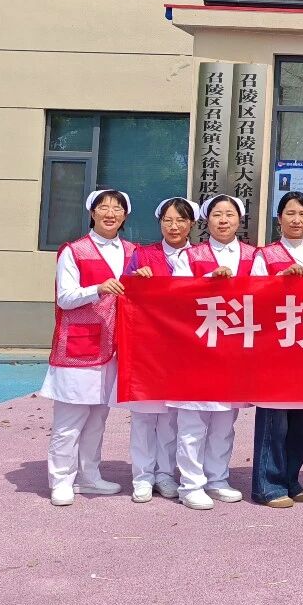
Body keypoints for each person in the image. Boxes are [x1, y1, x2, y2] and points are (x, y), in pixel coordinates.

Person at [42, 188, 136, 507]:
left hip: (115, 347)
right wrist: (97, 288)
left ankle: (89, 475)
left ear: (125, 215)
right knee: (69, 421)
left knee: (97, 418)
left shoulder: (133, 252)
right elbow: (65, 298)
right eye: (103, 207)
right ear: (92, 213)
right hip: (79, 347)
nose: (110, 213)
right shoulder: (74, 251)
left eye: (117, 208)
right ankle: (61, 480)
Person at [171, 194, 264, 510]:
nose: (223, 220)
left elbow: (264, 293)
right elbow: (175, 295)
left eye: (229, 214)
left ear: (240, 219)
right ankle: (190, 484)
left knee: (225, 421)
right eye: (217, 215)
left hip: (234, 349)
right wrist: (209, 279)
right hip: (196, 348)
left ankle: (217, 478)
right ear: (206, 220)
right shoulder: (191, 256)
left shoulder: (253, 256)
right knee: (193, 421)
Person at [250, 192, 303, 508]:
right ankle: (267, 484)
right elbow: (252, 294)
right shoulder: (265, 256)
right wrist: (279, 280)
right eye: (290, 213)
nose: (296, 220)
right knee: (274, 419)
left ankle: (291, 478)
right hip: (276, 347)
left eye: (302, 214)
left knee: (301, 420)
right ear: (279, 218)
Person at [120, 196, 198, 504]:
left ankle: (165, 474)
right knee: (144, 415)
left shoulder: (200, 256)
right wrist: (135, 279)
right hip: (148, 348)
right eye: (168, 220)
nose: (174, 226)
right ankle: (142, 476)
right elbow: (123, 291)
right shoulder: (143, 255)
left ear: (192, 224)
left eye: (180, 220)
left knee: (171, 418)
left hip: (183, 349)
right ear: (160, 223)